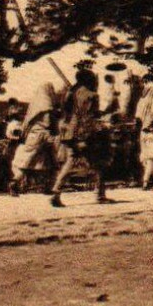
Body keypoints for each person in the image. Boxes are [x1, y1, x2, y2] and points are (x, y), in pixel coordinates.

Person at [51, 62, 112, 208]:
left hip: (70, 131)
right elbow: (88, 116)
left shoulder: (71, 93)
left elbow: (67, 113)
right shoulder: (92, 95)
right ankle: (100, 195)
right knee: (99, 163)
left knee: (72, 162)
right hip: (84, 132)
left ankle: (57, 191)